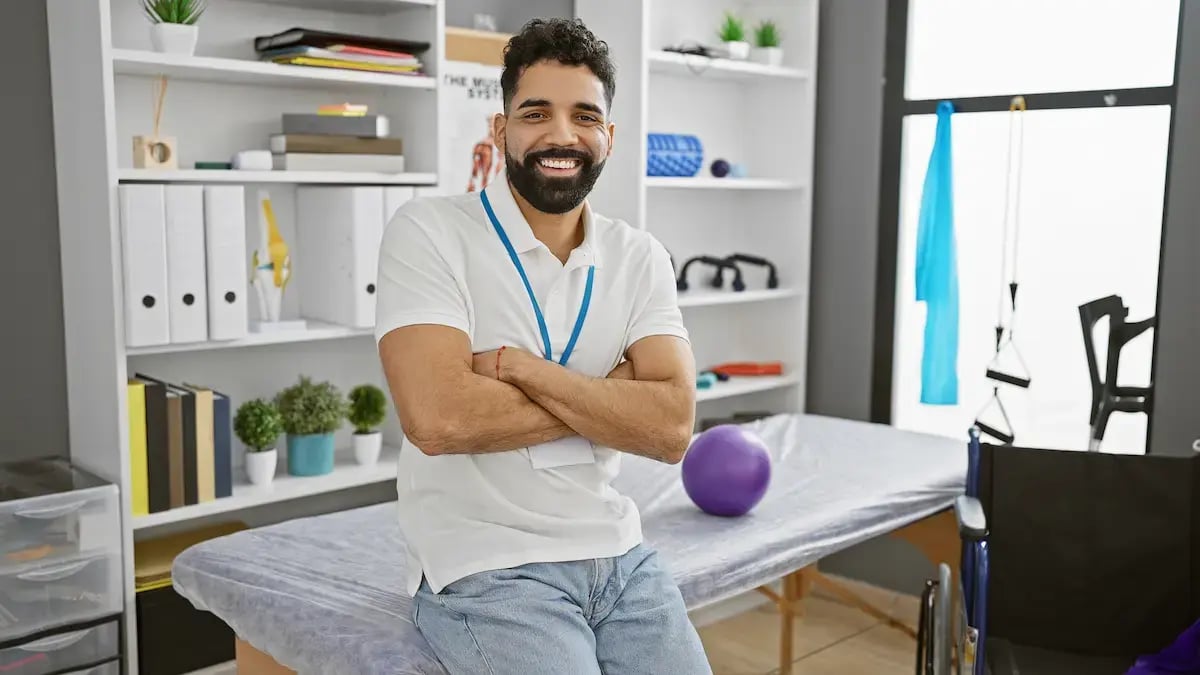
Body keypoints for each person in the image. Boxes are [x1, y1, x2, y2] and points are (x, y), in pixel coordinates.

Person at [374, 16, 712, 675]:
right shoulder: (429, 231)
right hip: (484, 563)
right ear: (500, 132)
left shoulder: (639, 256)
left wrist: (522, 372)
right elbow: (439, 420)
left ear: (608, 137)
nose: (562, 135)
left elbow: (672, 428)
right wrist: (610, 399)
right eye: (536, 113)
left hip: (619, 553)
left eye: (585, 116)